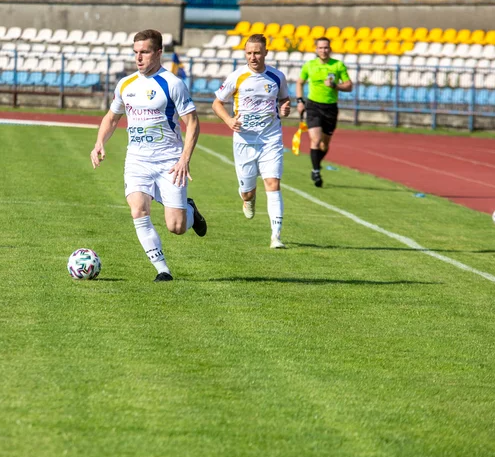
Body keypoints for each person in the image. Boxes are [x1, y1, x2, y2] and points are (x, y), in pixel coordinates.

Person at [90, 29, 206, 282]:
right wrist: (99, 142)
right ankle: (162, 270)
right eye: (135, 53)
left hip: (169, 161)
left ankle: (189, 209)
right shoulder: (126, 84)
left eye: (144, 52)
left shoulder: (173, 84)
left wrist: (184, 159)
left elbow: (193, 123)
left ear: (158, 53)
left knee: (176, 227)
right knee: (138, 212)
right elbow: (112, 117)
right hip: (137, 160)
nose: (138, 58)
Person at [212, 34, 292, 248]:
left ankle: (276, 236)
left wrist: (285, 108)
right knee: (247, 191)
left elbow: (284, 99)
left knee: (273, 183)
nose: (253, 57)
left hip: (270, 139)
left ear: (266, 52)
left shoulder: (277, 77)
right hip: (244, 141)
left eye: (257, 52)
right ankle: (248, 198)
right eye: (249, 53)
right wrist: (229, 120)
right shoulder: (237, 77)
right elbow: (217, 103)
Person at [296, 36, 352, 187]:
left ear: (330, 49)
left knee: (324, 145)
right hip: (313, 106)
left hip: (330, 108)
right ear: (316, 49)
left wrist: (335, 86)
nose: (323, 50)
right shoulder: (309, 65)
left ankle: (317, 163)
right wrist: (300, 101)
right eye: (320, 48)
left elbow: (349, 85)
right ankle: (315, 171)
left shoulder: (338, 65)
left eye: (326, 47)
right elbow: (300, 82)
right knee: (316, 140)